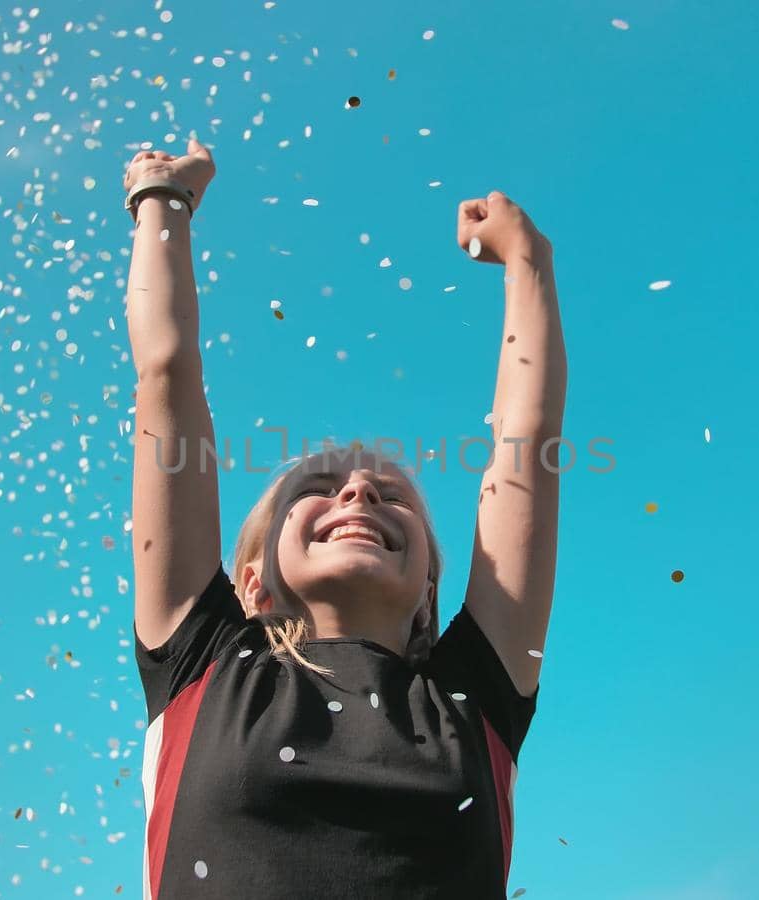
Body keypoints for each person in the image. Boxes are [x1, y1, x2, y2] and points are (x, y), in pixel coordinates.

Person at [123, 134, 566, 899]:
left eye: (394, 496)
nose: (359, 494)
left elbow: (526, 450)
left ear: (430, 584)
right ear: (253, 579)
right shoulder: (204, 661)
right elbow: (167, 372)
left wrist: (529, 262)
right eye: (320, 487)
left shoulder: (475, 697)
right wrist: (162, 194)